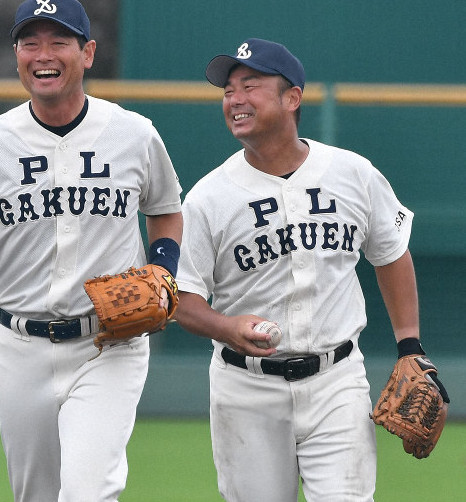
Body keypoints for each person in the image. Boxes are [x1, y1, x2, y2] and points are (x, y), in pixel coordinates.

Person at [0, 0, 183, 501]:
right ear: (17, 56)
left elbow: (166, 209)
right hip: (19, 344)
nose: (43, 54)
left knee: (89, 491)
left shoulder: (132, 134)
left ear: (87, 53)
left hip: (109, 343)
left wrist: (163, 268)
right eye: (30, 43)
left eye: (59, 41)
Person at [175, 38, 447, 501]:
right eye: (228, 90)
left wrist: (410, 346)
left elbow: (391, 252)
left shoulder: (352, 173)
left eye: (250, 86)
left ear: (292, 98)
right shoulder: (208, 197)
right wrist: (224, 327)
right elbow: (182, 299)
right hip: (245, 388)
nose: (235, 99)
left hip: (336, 382)